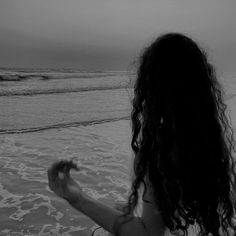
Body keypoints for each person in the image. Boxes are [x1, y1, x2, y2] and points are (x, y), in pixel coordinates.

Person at [47, 32, 236, 236]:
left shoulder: (160, 151)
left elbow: (148, 234)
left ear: (150, 89)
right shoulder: (213, 142)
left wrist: (78, 199)